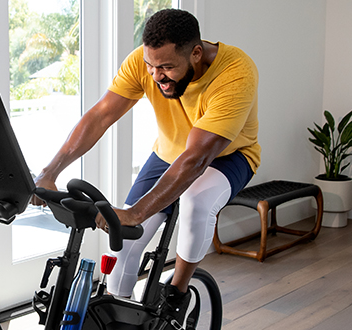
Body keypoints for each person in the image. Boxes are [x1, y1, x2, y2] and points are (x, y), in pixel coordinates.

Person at [29, 8, 260, 323]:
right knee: (123, 241)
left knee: (196, 199)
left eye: (166, 67)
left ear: (196, 53)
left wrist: (137, 212)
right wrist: (50, 172)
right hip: (168, 152)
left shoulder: (236, 72)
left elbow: (197, 159)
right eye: (151, 66)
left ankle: (177, 293)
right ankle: (113, 313)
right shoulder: (145, 61)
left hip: (227, 155)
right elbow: (100, 116)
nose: (156, 76)